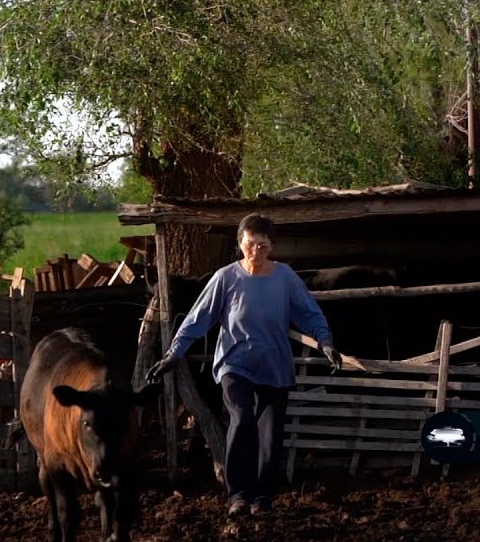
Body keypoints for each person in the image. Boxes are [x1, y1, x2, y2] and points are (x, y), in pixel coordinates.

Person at [146, 213, 341, 517]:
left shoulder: (285, 277)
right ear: (240, 244)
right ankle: (237, 494)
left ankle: (262, 497)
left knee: (271, 433)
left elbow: (309, 313)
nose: (256, 252)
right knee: (241, 416)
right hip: (234, 364)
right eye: (251, 245)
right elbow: (199, 317)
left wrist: (325, 341)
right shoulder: (226, 278)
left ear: (271, 246)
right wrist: (175, 352)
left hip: (274, 365)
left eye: (263, 246)